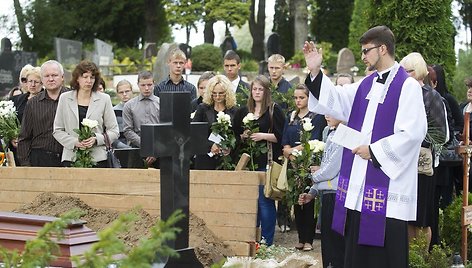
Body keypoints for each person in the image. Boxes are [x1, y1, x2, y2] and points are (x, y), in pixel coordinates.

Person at [302, 25, 427, 267]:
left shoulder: (407, 86)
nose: (362, 56)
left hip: (388, 189)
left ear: (383, 49)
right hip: (359, 187)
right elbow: (336, 100)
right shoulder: (365, 84)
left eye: (366, 51)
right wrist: (316, 70)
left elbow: (413, 133)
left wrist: (375, 151)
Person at [400, 52, 448, 250]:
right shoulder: (400, 96)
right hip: (402, 165)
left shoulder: (431, 96)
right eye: (401, 72)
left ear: (419, 72)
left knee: (422, 217)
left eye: (408, 71)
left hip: (422, 166)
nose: (404, 75)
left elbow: (442, 135)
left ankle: (422, 259)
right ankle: (409, 258)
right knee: (406, 217)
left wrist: (415, 138)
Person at [233, 75, 285, 246]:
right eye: (254, 89)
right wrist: (243, 136)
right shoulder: (243, 111)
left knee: (264, 201)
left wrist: (262, 136)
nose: (256, 92)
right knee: (250, 201)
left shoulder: (273, 110)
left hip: (266, 161)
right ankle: (251, 238)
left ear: (266, 91)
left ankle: (266, 240)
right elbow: (236, 134)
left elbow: (281, 136)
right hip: (249, 161)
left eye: (260, 89)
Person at [281, 84, 326, 250]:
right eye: (296, 97)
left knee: (308, 200)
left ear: (309, 98)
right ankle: (300, 238)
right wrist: (288, 152)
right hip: (293, 164)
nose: (298, 101)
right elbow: (284, 138)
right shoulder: (291, 116)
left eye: (302, 97)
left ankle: (309, 240)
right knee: (296, 200)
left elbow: (312, 141)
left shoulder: (317, 117)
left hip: (308, 164)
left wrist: (293, 150)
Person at [53, 60, 119, 167]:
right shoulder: (65, 98)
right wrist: (75, 142)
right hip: (71, 157)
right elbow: (57, 130)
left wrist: (96, 139)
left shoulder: (104, 99)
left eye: (92, 77)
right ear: (77, 78)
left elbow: (114, 131)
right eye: (85, 76)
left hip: (98, 158)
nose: (89, 81)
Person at [300, 114, 345, 268]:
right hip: (327, 193)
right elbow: (325, 163)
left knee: (336, 246)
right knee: (327, 245)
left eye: (332, 110)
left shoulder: (345, 135)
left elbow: (331, 169)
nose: (327, 114)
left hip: (338, 195)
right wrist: (313, 192)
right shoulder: (331, 132)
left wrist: (314, 176)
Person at [17, 60, 68, 167]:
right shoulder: (32, 103)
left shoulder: (73, 99)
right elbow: (24, 137)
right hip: (40, 159)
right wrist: (26, 164)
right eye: (46, 76)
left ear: (62, 77)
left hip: (68, 157)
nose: (51, 79)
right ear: (42, 79)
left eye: (54, 75)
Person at [192, 75, 238, 170]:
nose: (217, 97)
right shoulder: (203, 108)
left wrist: (230, 147)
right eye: (214, 93)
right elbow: (194, 132)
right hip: (205, 158)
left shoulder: (234, 110)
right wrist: (210, 144)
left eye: (221, 93)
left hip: (226, 160)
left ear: (227, 93)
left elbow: (237, 134)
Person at [123, 71, 160, 167]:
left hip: (159, 150)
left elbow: (167, 129)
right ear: (138, 85)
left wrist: (156, 149)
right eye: (143, 85)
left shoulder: (162, 103)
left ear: (154, 84)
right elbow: (127, 130)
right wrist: (145, 146)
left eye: (149, 84)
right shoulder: (129, 105)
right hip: (137, 148)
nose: (146, 88)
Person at [113, 79, 134, 149]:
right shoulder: (113, 111)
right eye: (121, 92)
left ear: (132, 91)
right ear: (117, 94)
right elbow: (111, 133)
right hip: (119, 148)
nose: (124, 94)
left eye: (127, 91)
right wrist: (122, 146)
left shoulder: (139, 108)